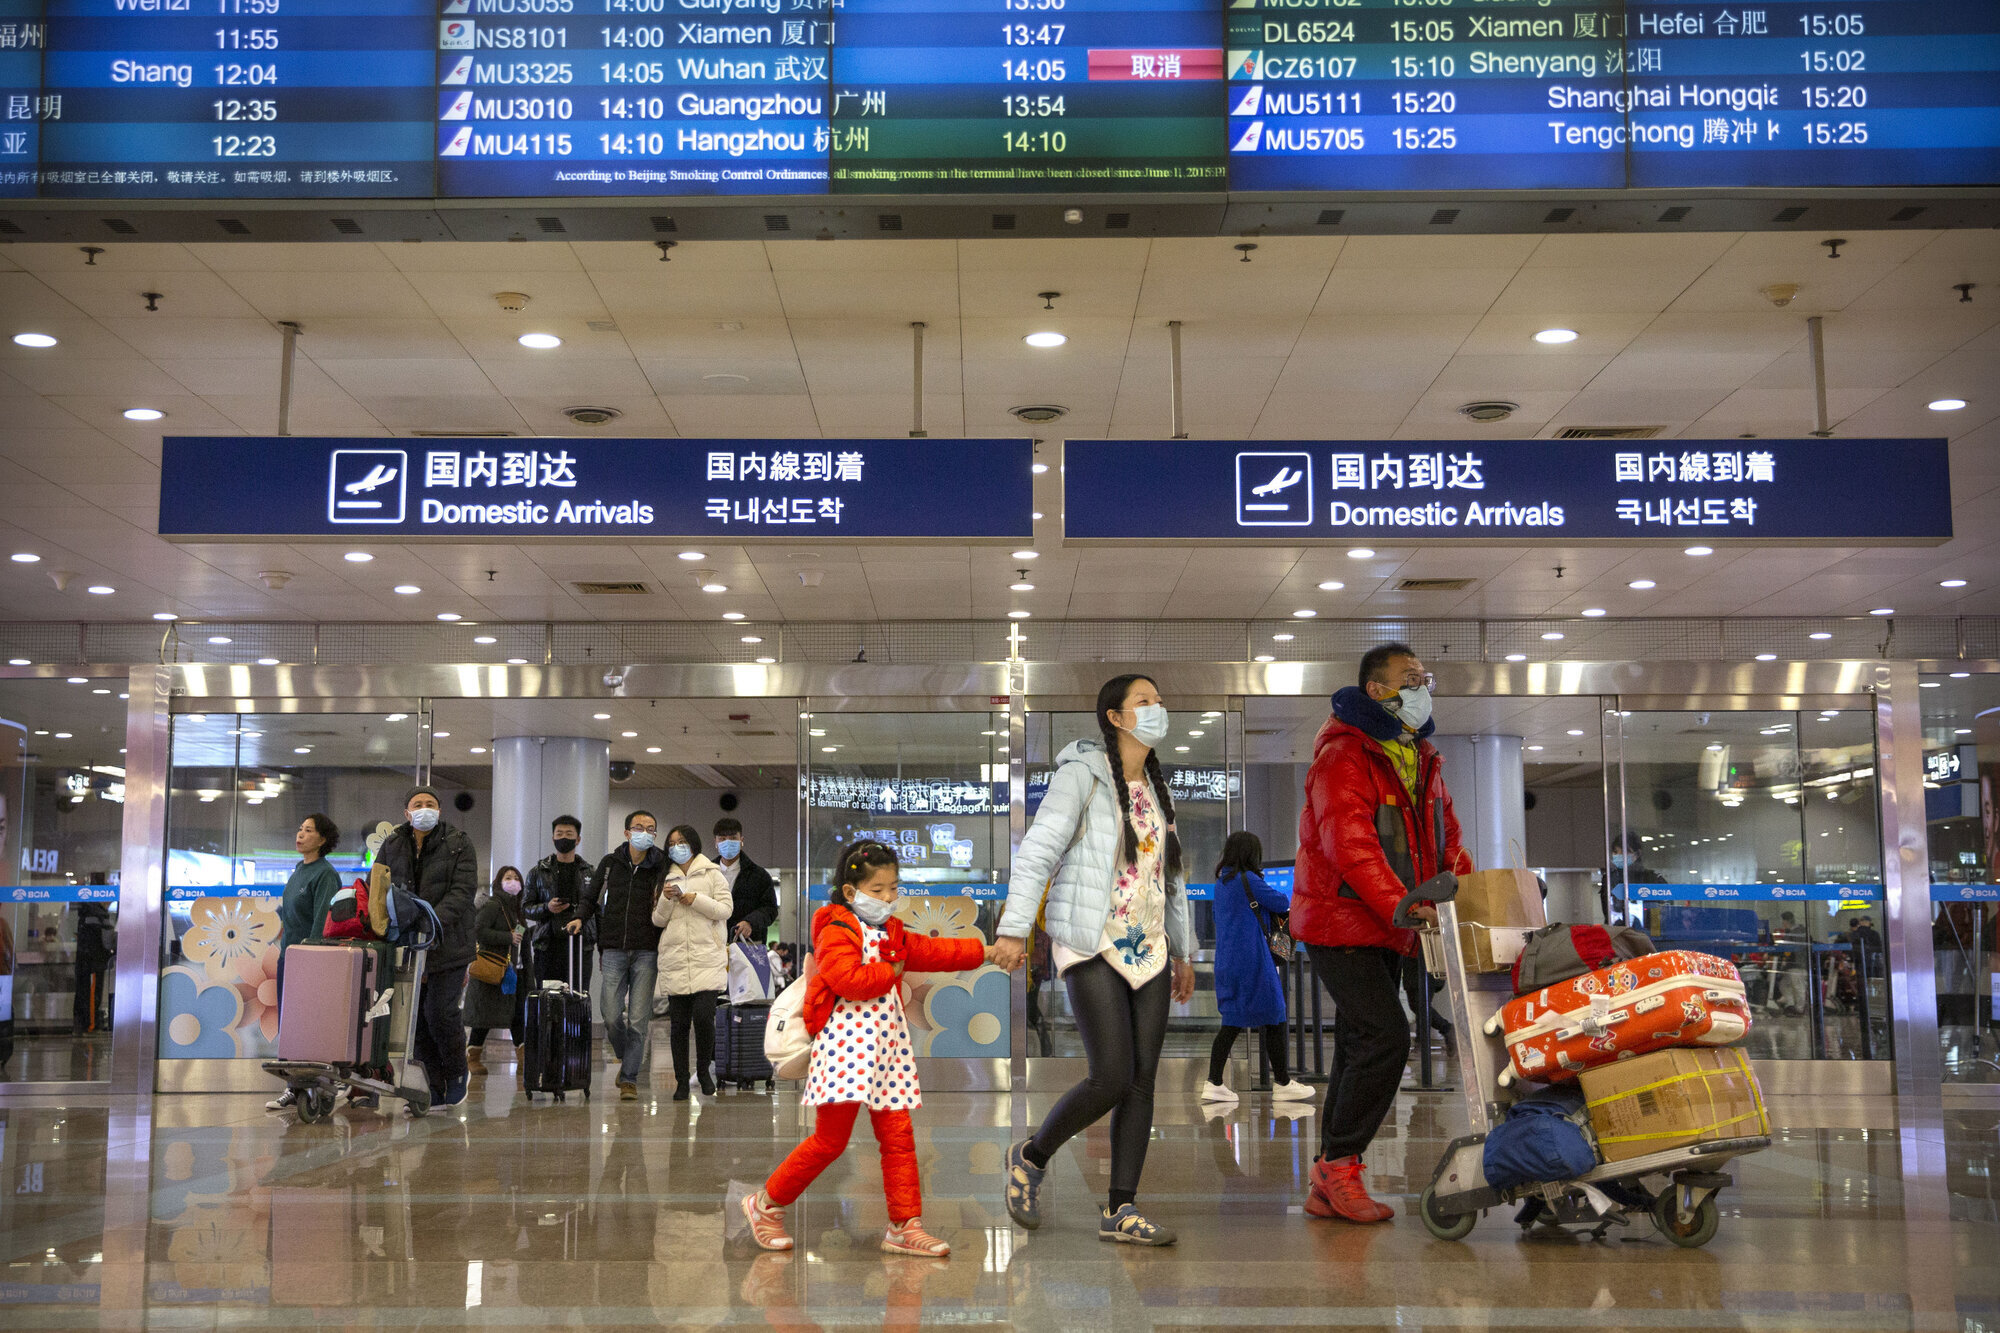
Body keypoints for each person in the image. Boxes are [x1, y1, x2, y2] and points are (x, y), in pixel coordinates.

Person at [992, 673, 1196, 1247]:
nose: (1157, 709)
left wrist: (1183, 950)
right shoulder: (1081, 774)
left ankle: (1121, 1208)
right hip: (1090, 939)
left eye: (1160, 700)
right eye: (1144, 702)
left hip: (1149, 945)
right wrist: (1014, 929)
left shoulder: (1156, 787)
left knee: (1142, 1081)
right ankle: (1032, 1156)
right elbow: (1038, 852)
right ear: (1115, 717)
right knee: (1111, 1074)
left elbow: (1171, 875)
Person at [740, 840, 992, 1258]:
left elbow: (935, 950)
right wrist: (891, 969)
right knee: (829, 1141)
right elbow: (848, 980)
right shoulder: (834, 929)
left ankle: (905, 1226)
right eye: (877, 890)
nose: (888, 898)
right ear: (850, 891)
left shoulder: (891, 932)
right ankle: (764, 1205)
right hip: (844, 1048)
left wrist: (988, 953)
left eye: (893, 888)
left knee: (899, 1138)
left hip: (887, 1049)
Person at [1292, 642, 1471, 1224]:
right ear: (1377, 690)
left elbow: (1446, 841)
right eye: (1409, 678)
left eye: (1424, 678)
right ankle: (1339, 1167)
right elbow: (1351, 845)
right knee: (1387, 1036)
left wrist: (1468, 894)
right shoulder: (1344, 755)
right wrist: (1403, 905)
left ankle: (1329, 1174)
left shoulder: (1419, 755)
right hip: (1341, 919)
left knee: (1358, 1042)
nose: (1422, 688)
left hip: (1390, 925)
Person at [375, 786, 479, 1111]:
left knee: (440, 1013)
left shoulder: (459, 843)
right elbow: (379, 885)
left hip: (450, 943)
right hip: (407, 942)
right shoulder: (392, 843)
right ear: (407, 813)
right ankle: (431, 1085)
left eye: (430, 804)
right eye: (417, 804)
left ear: (439, 810)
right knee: (415, 1020)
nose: (424, 809)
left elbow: (463, 891)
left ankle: (457, 1072)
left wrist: (431, 921)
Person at [1203, 831, 1314, 1104]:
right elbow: (1281, 903)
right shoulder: (1249, 879)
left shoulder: (1221, 883)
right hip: (1252, 960)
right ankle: (1283, 1083)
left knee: (1231, 1021)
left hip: (1227, 962)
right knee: (1275, 1015)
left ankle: (1214, 1082)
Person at [267, 813, 342, 1111]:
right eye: (300, 829)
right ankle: (293, 1087)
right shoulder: (299, 869)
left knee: (310, 1026)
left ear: (322, 839)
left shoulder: (325, 874)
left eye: (308, 830)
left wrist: (311, 957)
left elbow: (323, 921)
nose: (300, 834)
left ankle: (320, 1087)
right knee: (289, 1025)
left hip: (310, 960)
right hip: (289, 957)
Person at [652, 824, 731, 1102]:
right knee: (679, 1025)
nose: (677, 847)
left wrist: (695, 899)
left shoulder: (713, 873)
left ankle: (704, 1070)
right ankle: (681, 1080)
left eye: (682, 842)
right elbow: (658, 920)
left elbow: (725, 909)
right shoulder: (665, 877)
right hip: (675, 959)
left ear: (694, 844)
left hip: (706, 957)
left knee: (704, 1017)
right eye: (672, 843)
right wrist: (666, 898)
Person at [594, 810, 666, 1099]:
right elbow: (591, 896)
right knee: (611, 1015)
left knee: (638, 1019)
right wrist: (578, 918)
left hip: (647, 949)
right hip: (613, 947)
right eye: (639, 827)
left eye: (650, 828)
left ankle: (629, 1079)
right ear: (627, 833)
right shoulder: (610, 863)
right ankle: (628, 1057)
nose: (644, 833)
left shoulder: (661, 864)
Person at [465, 867, 529, 1078]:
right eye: (507, 878)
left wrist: (529, 975)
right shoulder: (493, 905)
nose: (513, 881)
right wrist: (507, 937)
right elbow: (478, 930)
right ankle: (472, 1057)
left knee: (517, 1015)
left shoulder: (518, 910)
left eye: (516, 878)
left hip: (515, 971)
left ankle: (524, 1059)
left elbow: (522, 943)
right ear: (498, 883)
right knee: (485, 1016)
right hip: (493, 970)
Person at [523, 814, 593, 994]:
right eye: (559, 834)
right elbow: (526, 908)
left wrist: (602, 947)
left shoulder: (589, 872)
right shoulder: (538, 872)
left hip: (580, 945)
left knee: (578, 996)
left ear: (578, 839)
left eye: (569, 834)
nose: (563, 838)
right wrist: (547, 907)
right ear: (553, 838)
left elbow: (597, 910)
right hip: (548, 946)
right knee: (548, 998)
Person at [716, 817, 779, 946]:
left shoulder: (759, 875)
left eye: (733, 838)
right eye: (722, 839)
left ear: (741, 841)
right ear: (715, 842)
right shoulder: (706, 872)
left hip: (747, 945)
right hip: (712, 945)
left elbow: (770, 909)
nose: (727, 842)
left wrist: (750, 922)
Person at [71, 898, 114, 1037]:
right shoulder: (100, 915)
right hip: (95, 963)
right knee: (93, 994)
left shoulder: (85, 913)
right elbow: (108, 942)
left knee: (83, 992)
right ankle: (91, 1025)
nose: (110, 903)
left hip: (84, 961)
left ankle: (81, 1025)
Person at [1607, 833, 1665, 927]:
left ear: (1637, 854)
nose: (1619, 855)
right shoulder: (1610, 880)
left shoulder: (1651, 878)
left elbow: (1659, 909)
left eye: (1625, 852)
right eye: (1615, 852)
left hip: (1648, 930)